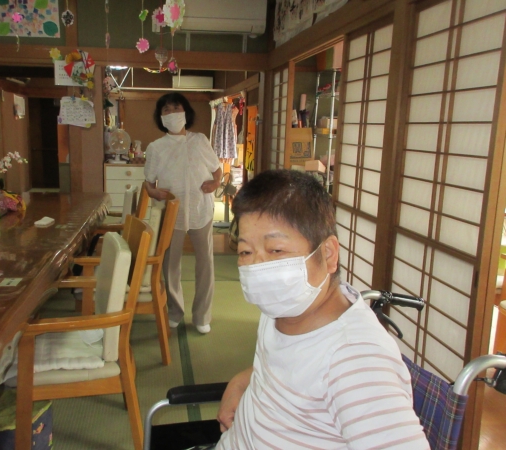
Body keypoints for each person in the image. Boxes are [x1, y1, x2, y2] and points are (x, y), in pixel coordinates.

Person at [215, 170, 429, 449]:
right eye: (245, 252)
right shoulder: (283, 307)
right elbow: (288, 368)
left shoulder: (355, 359)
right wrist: (242, 381)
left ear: (328, 254)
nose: (257, 266)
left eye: (276, 250)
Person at [144, 93, 222, 334]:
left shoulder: (199, 140)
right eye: (166, 110)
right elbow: (149, 183)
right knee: (170, 264)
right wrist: (154, 193)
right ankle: (175, 311)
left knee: (205, 262)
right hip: (172, 212)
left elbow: (217, 169)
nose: (172, 113)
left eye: (176, 108)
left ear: (186, 112)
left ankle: (202, 316)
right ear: (160, 117)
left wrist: (215, 183)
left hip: (201, 209)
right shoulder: (156, 148)